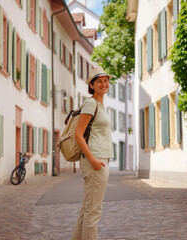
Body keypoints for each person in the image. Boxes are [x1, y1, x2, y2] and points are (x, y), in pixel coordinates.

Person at [71, 66, 114, 240]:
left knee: (87, 209)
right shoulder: (91, 103)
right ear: (92, 85)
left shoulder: (101, 105)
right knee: (93, 212)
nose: (104, 84)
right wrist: (93, 160)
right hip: (95, 161)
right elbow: (78, 134)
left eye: (106, 80)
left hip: (100, 159)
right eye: (99, 81)